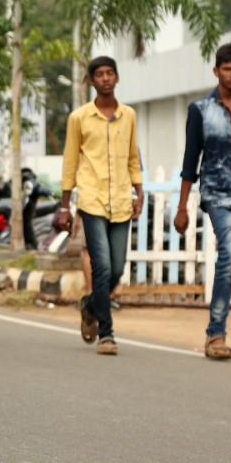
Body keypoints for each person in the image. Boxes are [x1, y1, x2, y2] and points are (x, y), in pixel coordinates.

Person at [174, 43, 231, 361]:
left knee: (229, 265)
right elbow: (190, 160)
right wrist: (182, 207)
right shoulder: (200, 110)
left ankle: (216, 326)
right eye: (227, 69)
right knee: (227, 255)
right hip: (216, 194)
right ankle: (216, 334)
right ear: (216, 71)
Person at [54, 56, 142, 355]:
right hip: (91, 200)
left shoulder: (128, 115)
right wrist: (65, 206)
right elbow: (70, 161)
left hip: (120, 200)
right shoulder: (79, 118)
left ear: (116, 78)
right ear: (92, 81)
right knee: (101, 266)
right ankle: (107, 334)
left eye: (110, 73)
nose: (105, 79)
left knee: (117, 267)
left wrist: (138, 191)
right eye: (99, 75)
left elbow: (133, 157)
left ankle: (90, 305)